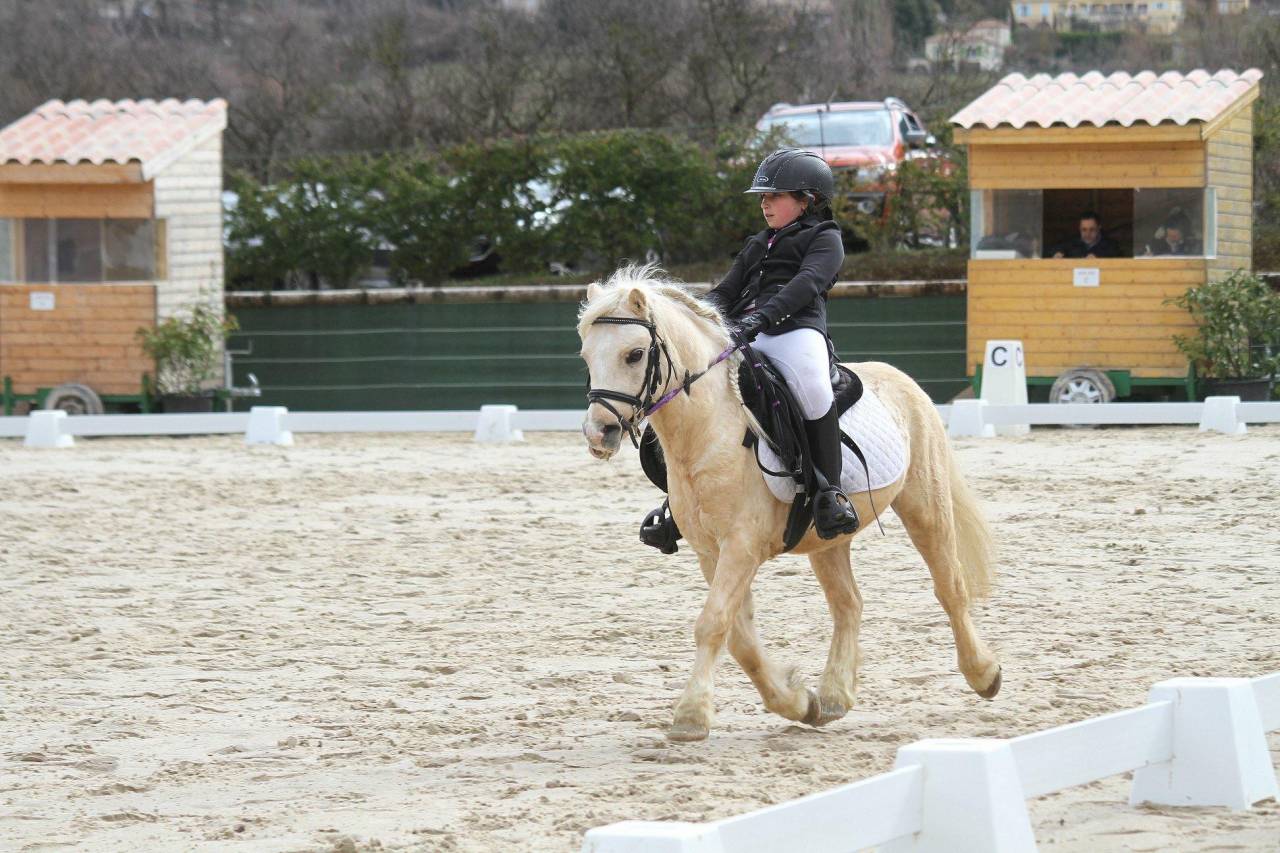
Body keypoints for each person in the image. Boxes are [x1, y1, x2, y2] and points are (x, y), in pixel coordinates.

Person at [699, 148, 860, 539]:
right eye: (762, 197)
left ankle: (830, 493)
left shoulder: (826, 237)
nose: (764, 204)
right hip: (742, 331)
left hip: (795, 331)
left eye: (775, 196)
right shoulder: (759, 242)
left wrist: (763, 317)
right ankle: (678, 499)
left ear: (807, 200)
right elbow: (726, 290)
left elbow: (807, 283)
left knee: (814, 387)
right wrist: (697, 317)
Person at [1051, 211, 1120, 259]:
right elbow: (1053, 249)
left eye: (1092, 229)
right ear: (1079, 228)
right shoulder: (1071, 243)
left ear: (1099, 228)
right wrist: (1057, 253)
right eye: (1084, 229)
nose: (1087, 234)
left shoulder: (1111, 246)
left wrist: (1099, 259)